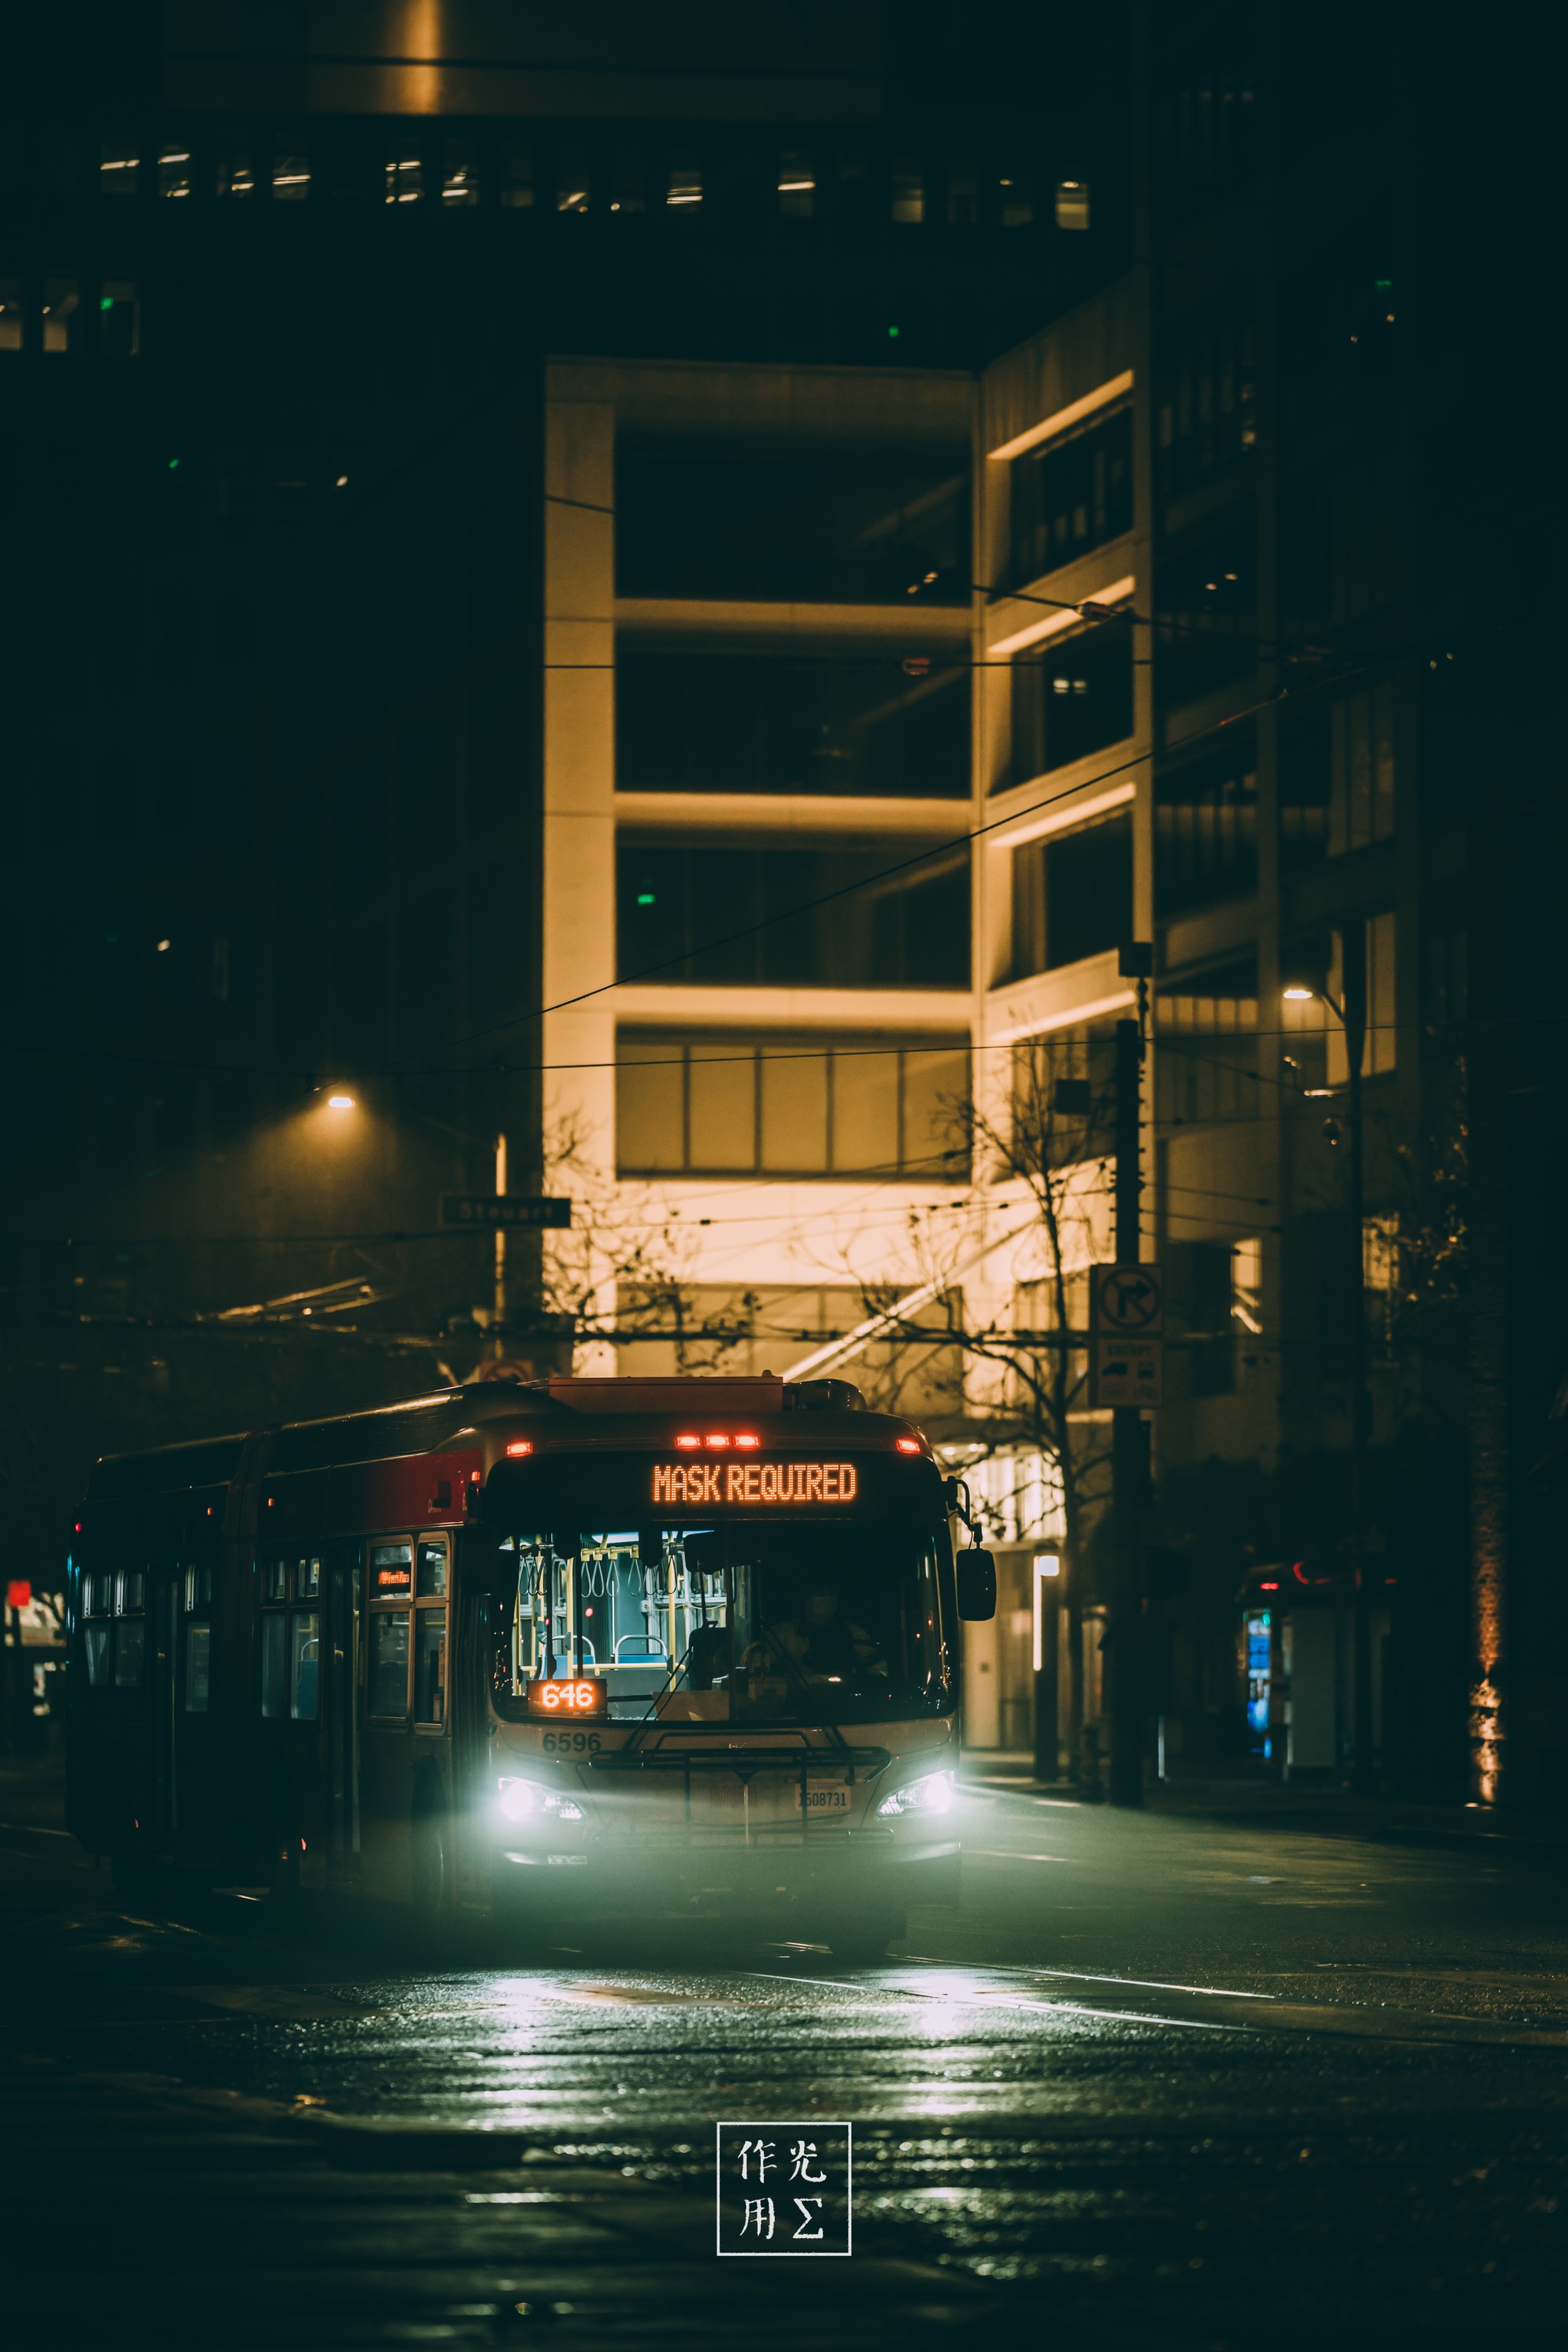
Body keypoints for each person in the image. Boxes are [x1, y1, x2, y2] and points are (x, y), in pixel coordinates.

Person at [743, 1585, 887, 1694]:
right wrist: (757, 1654)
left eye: (832, 1595)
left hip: (847, 1701)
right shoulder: (782, 1633)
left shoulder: (854, 1632)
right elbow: (756, 1660)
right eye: (821, 1595)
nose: (828, 1599)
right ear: (807, 1601)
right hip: (800, 1702)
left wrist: (872, 1685)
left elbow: (875, 1664)